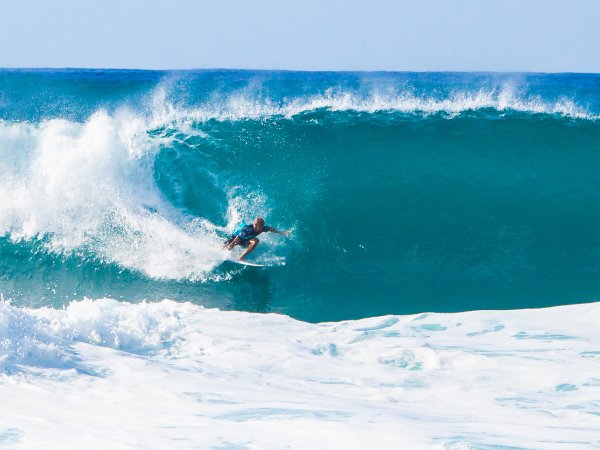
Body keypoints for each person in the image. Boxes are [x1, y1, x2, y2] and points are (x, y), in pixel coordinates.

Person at [224, 217, 291, 261]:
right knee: (228, 247)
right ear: (255, 226)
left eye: (262, 226)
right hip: (234, 238)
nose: (262, 228)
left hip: (246, 239)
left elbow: (270, 228)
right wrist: (231, 245)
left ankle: (240, 257)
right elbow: (237, 238)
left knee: (256, 241)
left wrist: (282, 232)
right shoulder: (247, 230)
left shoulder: (262, 228)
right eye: (260, 227)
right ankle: (222, 251)